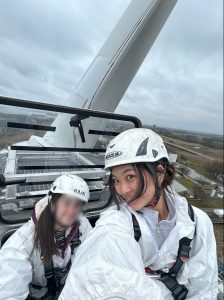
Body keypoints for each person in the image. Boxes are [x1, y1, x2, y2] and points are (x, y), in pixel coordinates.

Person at [59, 128, 218, 300]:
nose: (122, 190)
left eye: (130, 177)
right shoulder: (117, 222)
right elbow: (93, 274)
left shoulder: (198, 223)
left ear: (159, 172)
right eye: (116, 180)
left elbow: (204, 289)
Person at [0, 174, 92, 300]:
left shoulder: (83, 225)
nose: (71, 211)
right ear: (51, 200)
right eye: (66, 202)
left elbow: (91, 260)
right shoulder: (22, 243)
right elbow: (9, 292)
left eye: (77, 205)